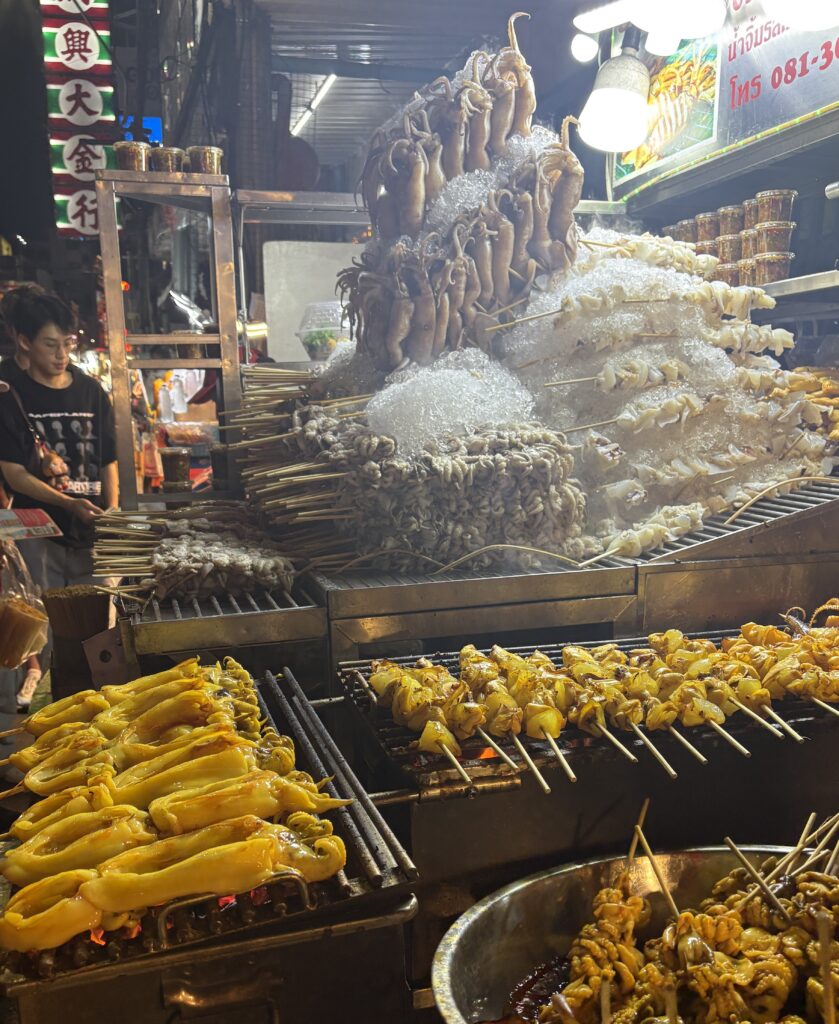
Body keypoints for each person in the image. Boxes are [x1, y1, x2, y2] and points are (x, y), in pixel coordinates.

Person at [0, 287, 118, 621]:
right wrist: (68, 503)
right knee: (45, 629)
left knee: (102, 631)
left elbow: (108, 459)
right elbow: (14, 474)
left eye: (66, 343)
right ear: (25, 342)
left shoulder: (91, 391)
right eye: (50, 345)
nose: (61, 354)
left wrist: (111, 513)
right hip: (38, 535)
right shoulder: (9, 395)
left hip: (92, 534)